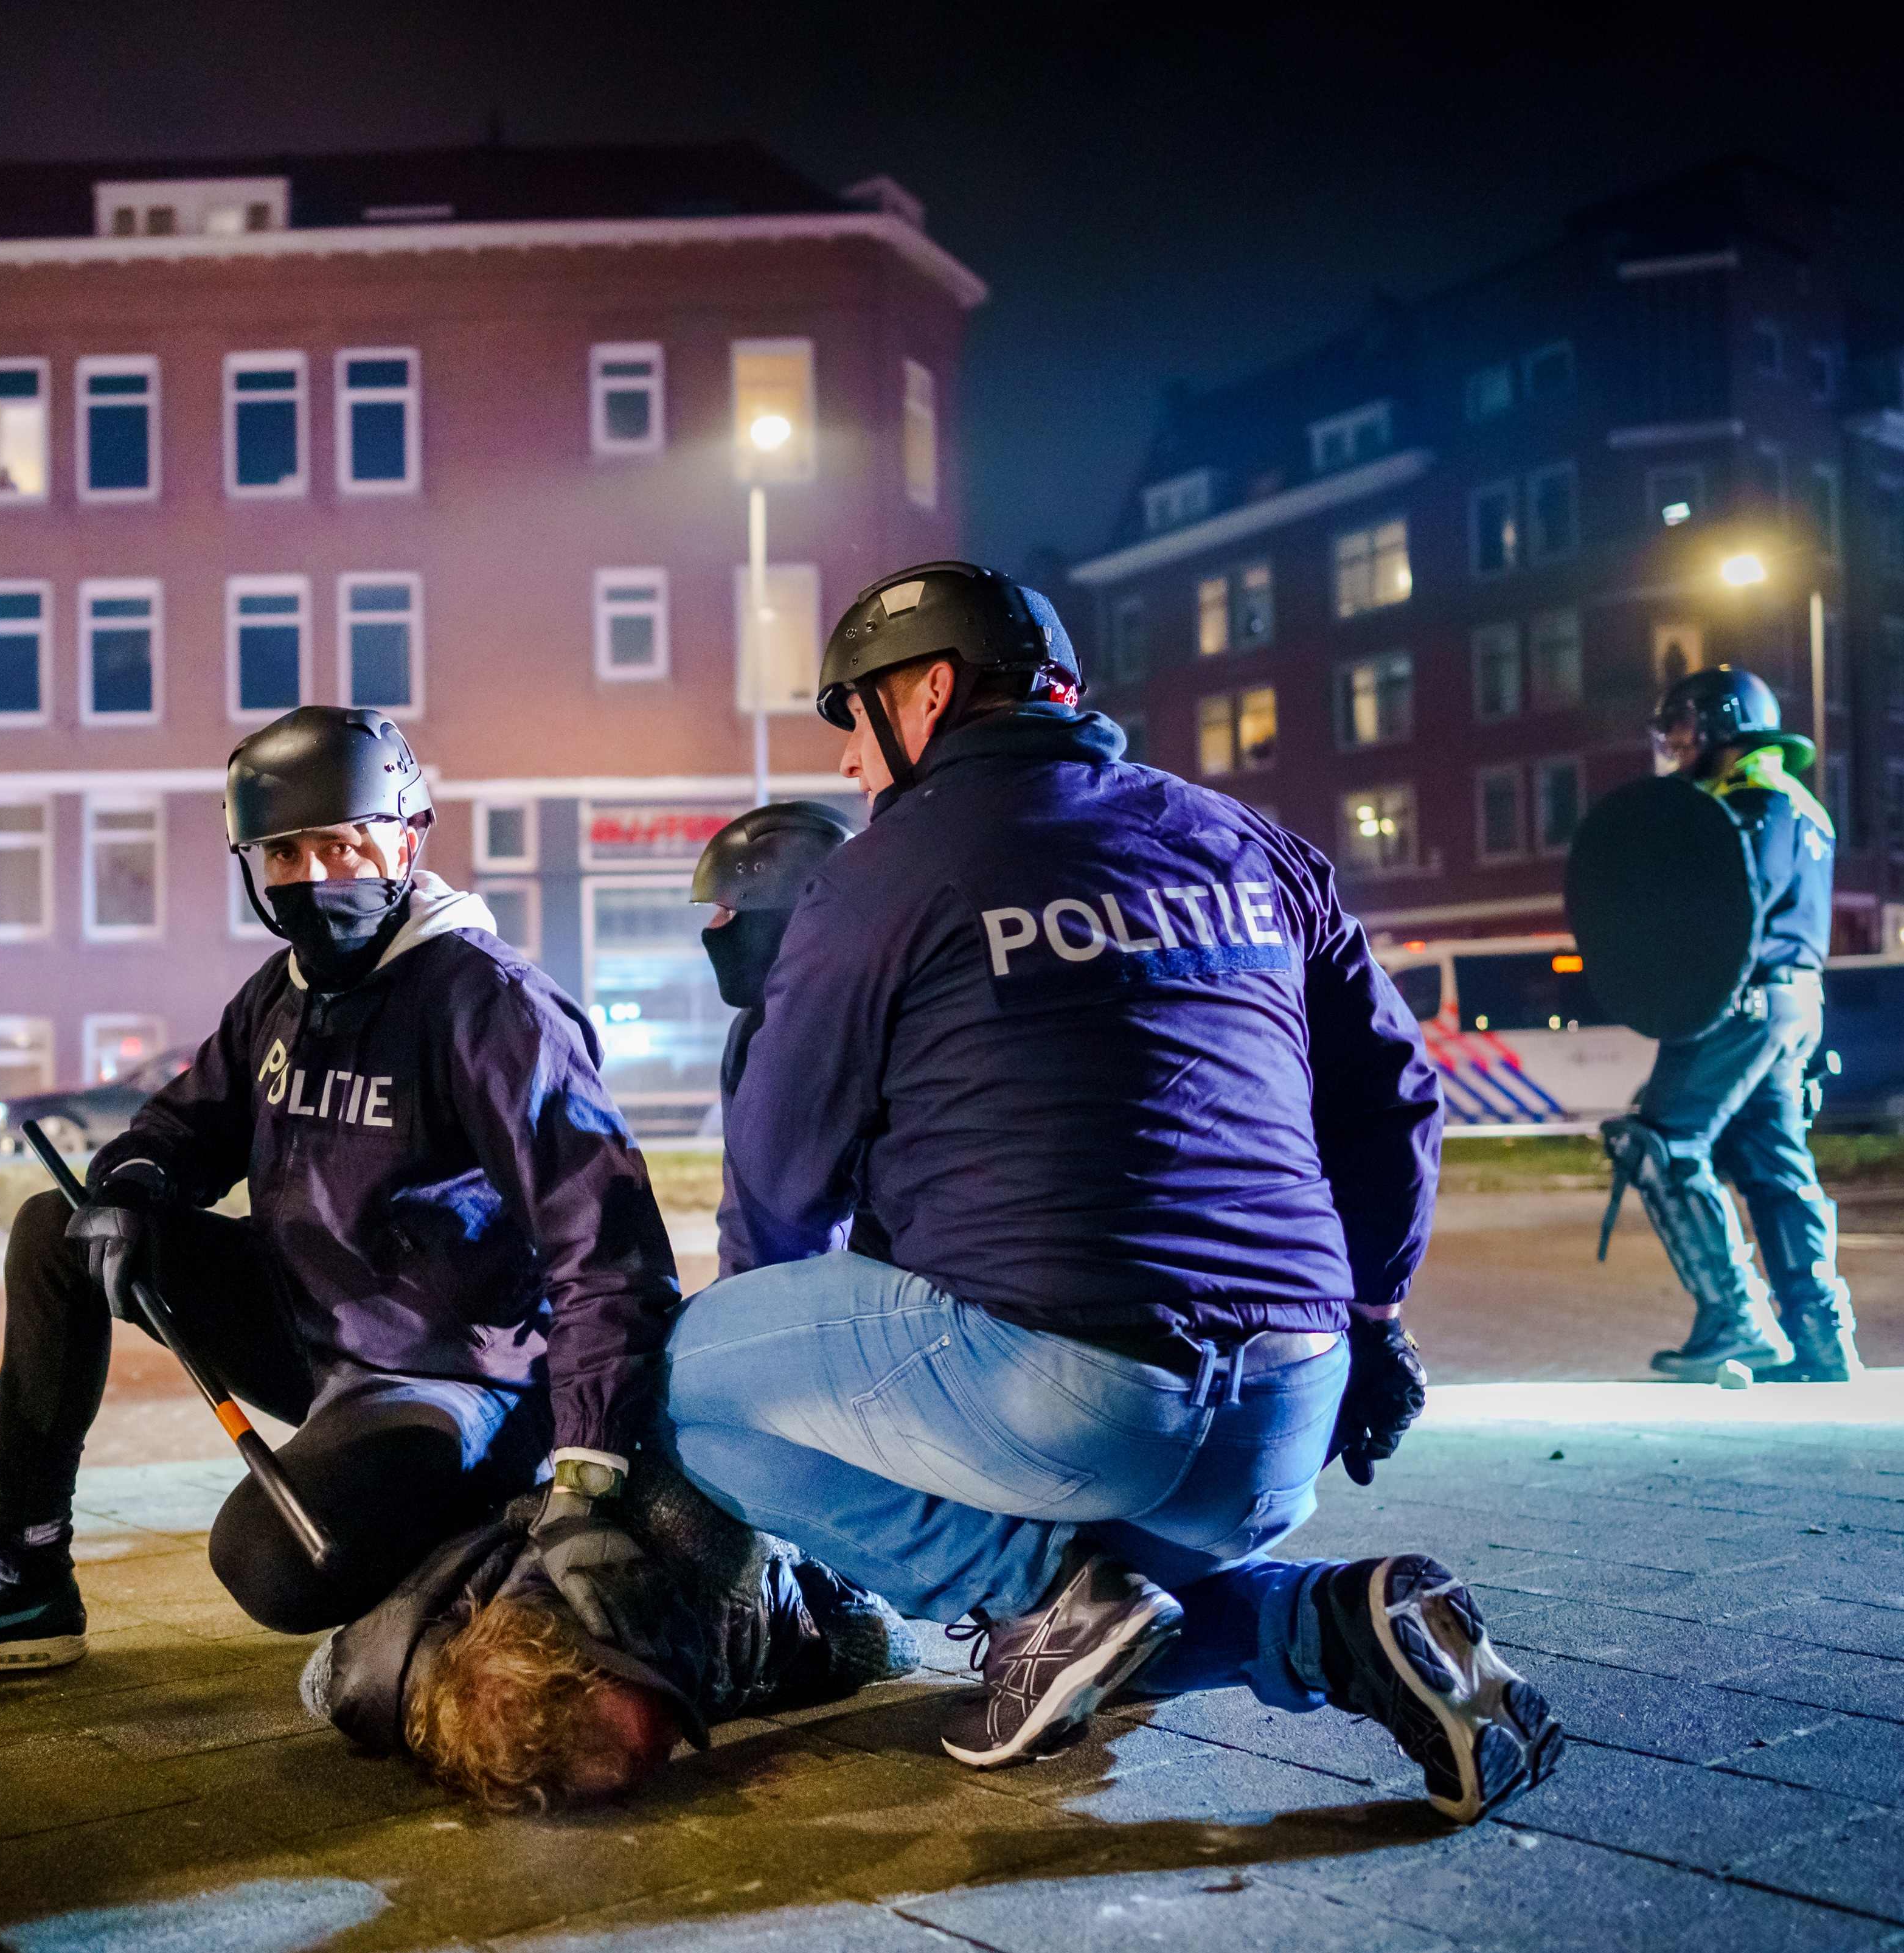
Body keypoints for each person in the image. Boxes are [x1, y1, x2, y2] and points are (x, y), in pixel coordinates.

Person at [662, 560, 1565, 1824]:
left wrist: (809, 1409)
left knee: (688, 1378)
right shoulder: (1250, 841)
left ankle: (1028, 1592)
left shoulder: (881, 874)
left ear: (928, 693)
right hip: (1286, 1417)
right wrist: (1371, 1323)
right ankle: (1335, 1625)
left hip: (1066, 1400)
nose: (852, 763)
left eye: (852, 718)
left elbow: (778, 1185)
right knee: (1110, 1615)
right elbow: (1393, 1100)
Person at [0, 706, 681, 1677]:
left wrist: (590, 1468)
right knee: (62, 1229)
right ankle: (23, 1579)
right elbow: (184, 1127)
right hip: (307, 1324)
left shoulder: (490, 1006)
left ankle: (485, 1515)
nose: (313, 877)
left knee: (271, 1559)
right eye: (283, 854)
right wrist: (132, 1184)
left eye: (340, 845)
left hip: (449, 1373)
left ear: (407, 836)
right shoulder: (281, 994)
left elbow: (607, 1248)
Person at [302, 1458, 913, 1810]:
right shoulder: (388, 1699)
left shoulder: (682, 1538)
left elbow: (335, 1677)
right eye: (649, 1760)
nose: (675, 1737)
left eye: (656, 1717)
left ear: (605, 1648)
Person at [1602, 667, 1856, 1387]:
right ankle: (1820, 1337)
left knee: (1659, 1144)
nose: (1673, 742)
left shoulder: (1745, 803)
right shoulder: (1798, 802)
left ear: (1722, 722)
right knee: (1774, 1167)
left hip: (1737, 1003)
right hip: (1793, 1002)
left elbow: (1727, 909)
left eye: (1681, 725)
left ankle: (1734, 1319)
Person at [692, 802, 850, 1276]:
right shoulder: (752, 1029)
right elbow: (746, 1212)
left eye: (727, 909)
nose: (712, 930)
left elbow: (790, 1220)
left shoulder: (828, 1026)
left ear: (780, 916)